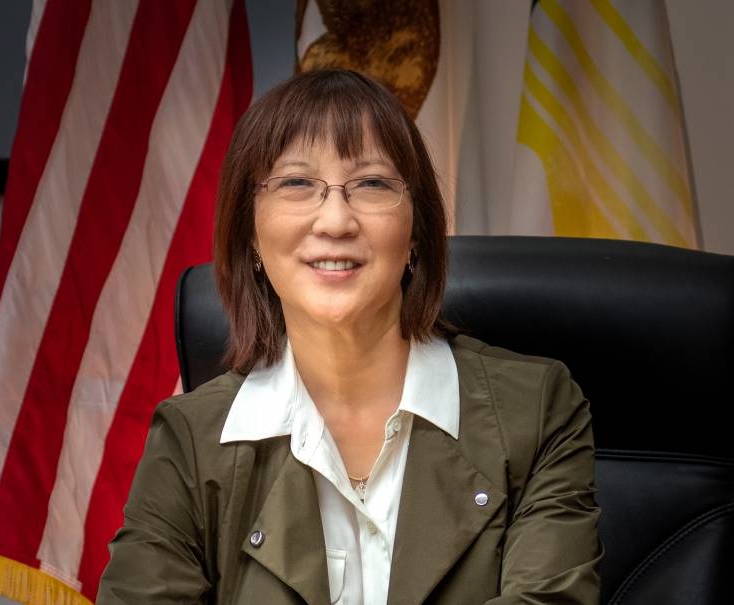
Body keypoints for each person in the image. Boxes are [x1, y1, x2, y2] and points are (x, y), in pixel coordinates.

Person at [97, 69, 601, 604]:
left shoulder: (537, 411)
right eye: (296, 183)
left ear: (415, 234)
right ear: (251, 236)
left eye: (371, 183)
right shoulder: (190, 442)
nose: (335, 220)